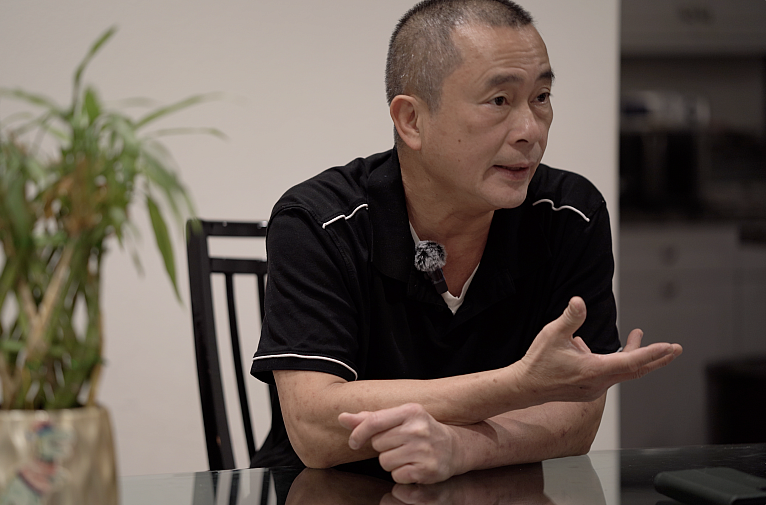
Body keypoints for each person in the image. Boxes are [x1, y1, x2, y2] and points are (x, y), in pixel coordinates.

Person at [249, 0, 682, 485]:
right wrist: (518, 386)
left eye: (541, 97)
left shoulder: (569, 215)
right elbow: (315, 426)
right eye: (499, 101)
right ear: (411, 120)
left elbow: (575, 416)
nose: (530, 131)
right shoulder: (320, 221)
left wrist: (462, 447)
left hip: (495, 490)